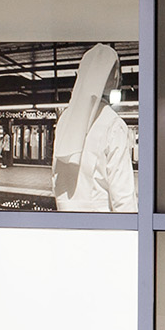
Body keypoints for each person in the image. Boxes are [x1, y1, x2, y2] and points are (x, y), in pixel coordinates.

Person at [53, 43, 138, 212]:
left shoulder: (64, 120)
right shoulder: (114, 125)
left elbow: (56, 180)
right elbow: (123, 199)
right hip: (101, 226)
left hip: (65, 223)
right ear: (113, 77)